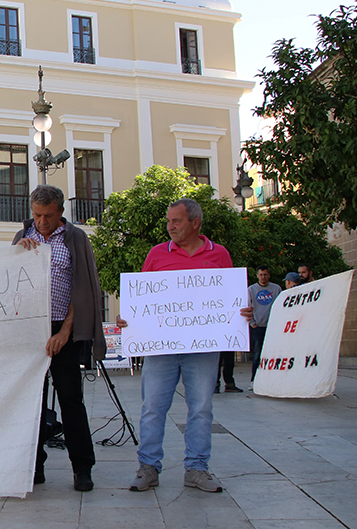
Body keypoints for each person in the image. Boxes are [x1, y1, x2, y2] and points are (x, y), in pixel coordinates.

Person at [117, 199, 252, 493]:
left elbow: (232, 298)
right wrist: (129, 318)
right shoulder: (156, 255)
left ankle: (197, 469)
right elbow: (142, 300)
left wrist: (242, 311)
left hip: (203, 350)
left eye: (176, 221)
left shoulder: (219, 255)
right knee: (153, 407)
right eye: (168, 221)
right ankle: (148, 468)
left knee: (201, 408)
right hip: (161, 348)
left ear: (195, 223)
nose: (170, 226)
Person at [13, 185, 103, 492]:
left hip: (64, 329)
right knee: (30, 402)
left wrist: (65, 331)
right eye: (37, 215)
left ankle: (83, 467)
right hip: (29, 330)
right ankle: (32, 465)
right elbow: (8, 284)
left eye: (48, 215)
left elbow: (84, 288)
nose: (42, 222)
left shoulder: (75, 239)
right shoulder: (23, 237)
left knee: (70, 400)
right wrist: (16, 256)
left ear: (60, 212)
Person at [248, 266, 281, 386]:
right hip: (258, 326)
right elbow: (247, 305)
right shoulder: (251, 289)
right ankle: (254, 381)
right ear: (257, 275)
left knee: (273, 354)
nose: (263, 277)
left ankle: (272, 381)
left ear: (269, 275)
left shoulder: (276, 288)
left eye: (265, 274)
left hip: (272, 327)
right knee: (257, 354)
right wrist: (253, 324)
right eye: (261, 275)